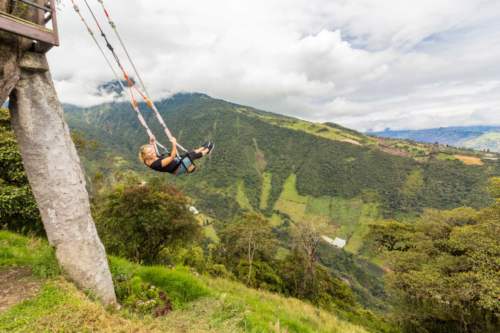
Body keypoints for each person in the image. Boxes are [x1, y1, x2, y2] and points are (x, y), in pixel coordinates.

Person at [139, 137, 214, 175]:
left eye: (152, 150)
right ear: (145, 155)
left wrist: (151, 142)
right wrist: (174, 143)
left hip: (176, 162)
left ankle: (203, 147)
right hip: (178, 168)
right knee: (192, 156)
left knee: (188, 153)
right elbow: (172, 156)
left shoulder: (146, 158)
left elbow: (150, 150)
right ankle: (207, 150)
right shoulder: (156, 164)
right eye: (149, 152)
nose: (152, 152)